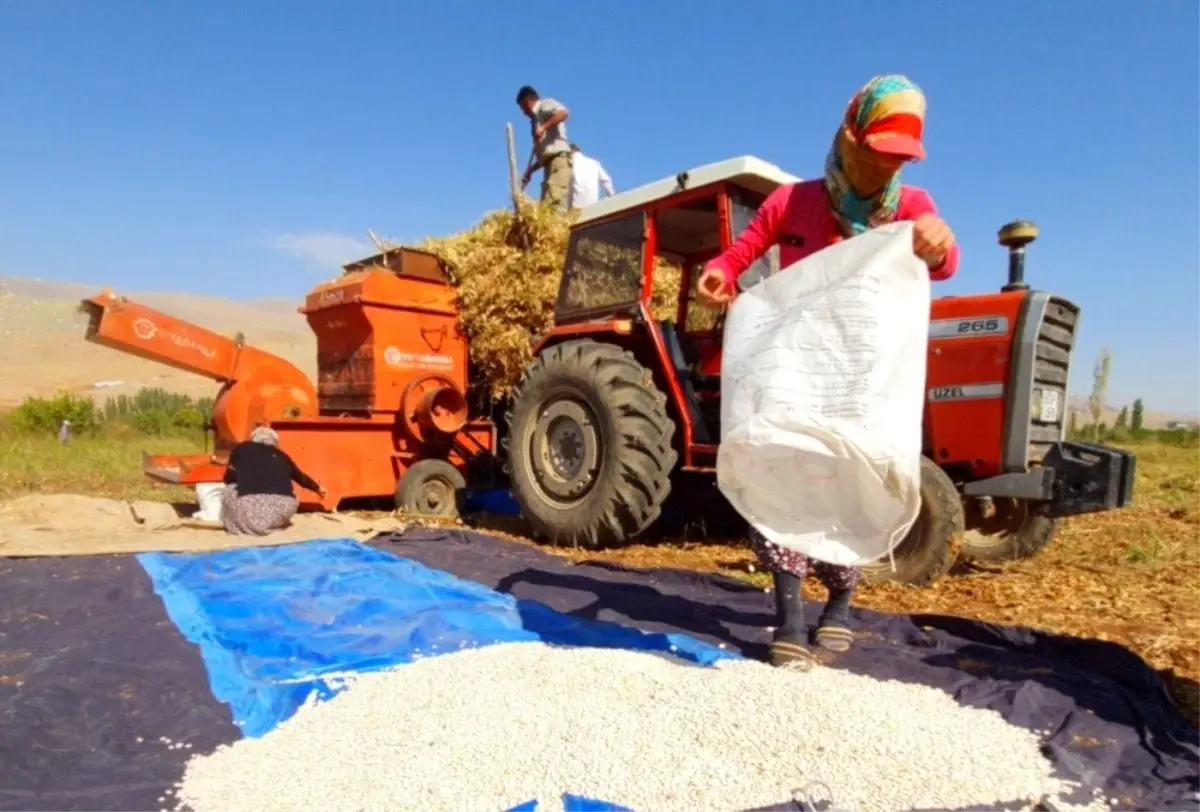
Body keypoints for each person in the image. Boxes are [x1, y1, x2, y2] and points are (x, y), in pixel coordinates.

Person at [696, 74, 959, 668]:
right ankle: (789, 616)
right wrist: (720, 272)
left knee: (850, 477)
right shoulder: (793, 203)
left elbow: (943, 262)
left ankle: (839, 603)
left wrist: (938, 244)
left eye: (901, 160)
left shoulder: (914, 208)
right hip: (793, 368)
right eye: (880, 154)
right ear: (850, 139)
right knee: (783, 473)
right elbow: (740, 254)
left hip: (859, 375)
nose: (888, 170)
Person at [220, 426, 324, 536]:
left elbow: (228, 478)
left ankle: (235, 520)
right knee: (293, 494)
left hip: (247, 514)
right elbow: (301, 478)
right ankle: (274, 524)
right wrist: (318, 488)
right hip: (281, 511)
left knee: (229, 488)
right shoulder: (283, 456)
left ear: (254, 439)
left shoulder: (241, 449)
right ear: (275, 442)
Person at [516, 85, 572, 210]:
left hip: (558, 161)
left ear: (528, 101)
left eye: (522, 108)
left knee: (554, 204)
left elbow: (564, 113)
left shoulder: (544, 105)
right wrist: (530, 171)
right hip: (547, 164)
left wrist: (543, 127)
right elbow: (543, 155)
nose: (523, 113)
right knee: (544, 209)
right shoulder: (534, 121)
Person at [567, 143, 615, 209]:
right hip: (594, 206)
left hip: (576, 209)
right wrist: (611, 198)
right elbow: (607, 181)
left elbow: (568, 193)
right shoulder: (594, 163)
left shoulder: (569, 167)